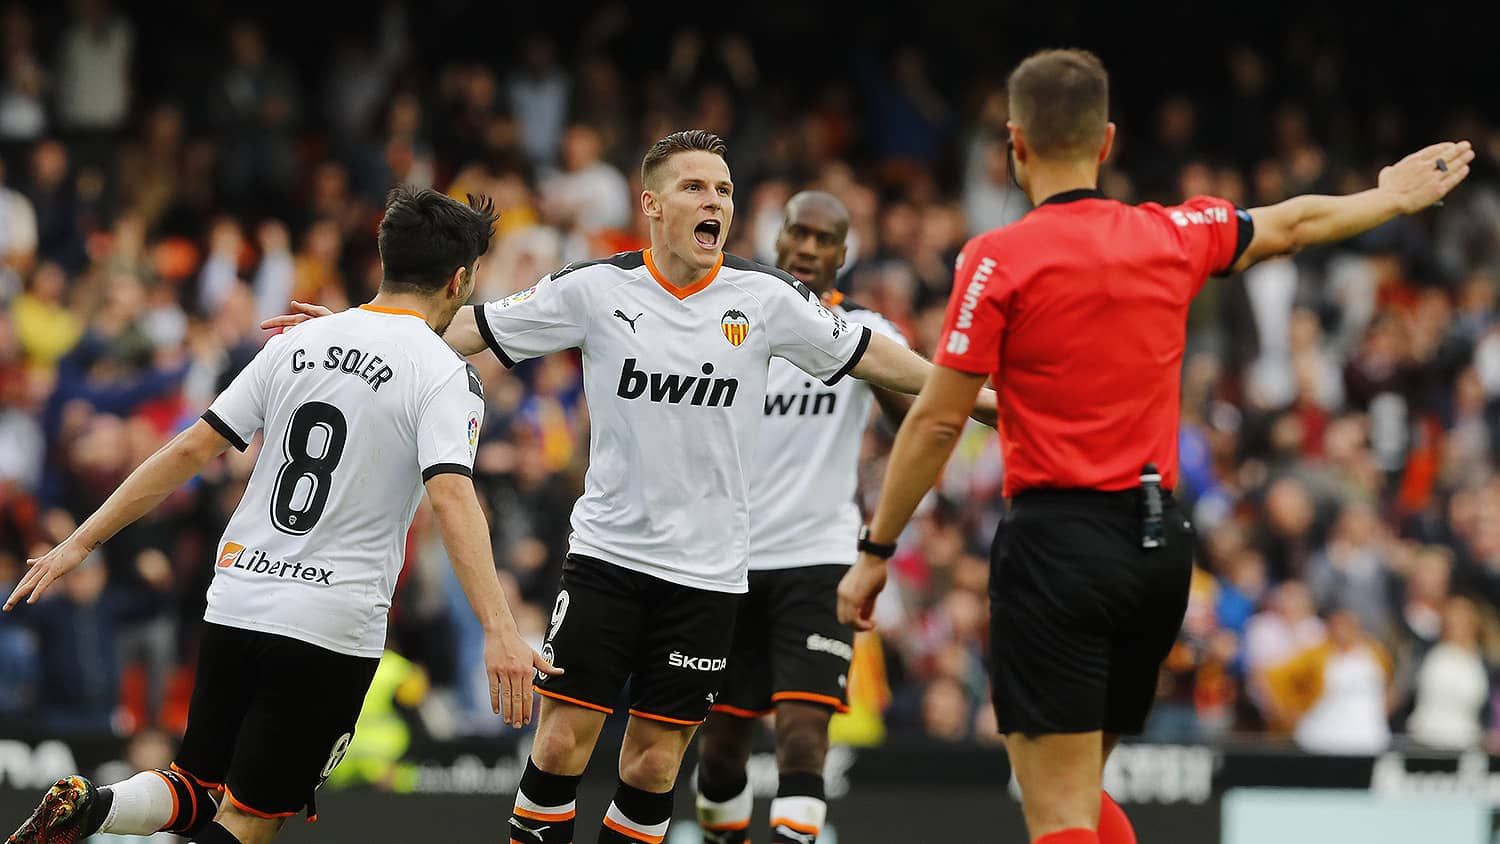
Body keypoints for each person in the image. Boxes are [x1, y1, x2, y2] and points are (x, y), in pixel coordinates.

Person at [265, 129, 995, 844]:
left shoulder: (766, 300)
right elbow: (468, 328)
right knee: (559, 748)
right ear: (652, 204)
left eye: (725, 190)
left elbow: (880, 361)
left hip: (709, 578)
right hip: (608, 561)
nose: (716, 201)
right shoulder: (595, 289)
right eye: (696, 187)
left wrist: (985, 399)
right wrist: (367, 328)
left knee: (651, 764)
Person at [835, 48, 1471, 844]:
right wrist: (1386, 198)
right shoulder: (1175, 231)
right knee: (1079, 794)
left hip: (1058, 547)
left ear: (1014, 142)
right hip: (1158, 548)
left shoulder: (998, 258)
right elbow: (1296, 221)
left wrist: (876, 549)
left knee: (1056, 811)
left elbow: (934, 420)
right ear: (1106, 141)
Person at [5, 187, 553, 844]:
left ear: (385, 258)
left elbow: (190, 448)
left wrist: (79, 543)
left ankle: (95, 807)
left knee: (194, 785)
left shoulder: (300, 340)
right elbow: (452, 494)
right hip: (327, 623)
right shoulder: (444, 373)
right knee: (249, 820)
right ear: (460, 280)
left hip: (238, 595)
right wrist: (499, 627)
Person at [694, 191, 913, 844]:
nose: (810, 249)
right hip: (726, 559)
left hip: (820, 561)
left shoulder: (867, 337)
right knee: (721, 748)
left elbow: (920, 421)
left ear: (845, 255)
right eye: (800, 233)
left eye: (826, 239)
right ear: (776, 236)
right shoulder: (723, 323)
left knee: (802, 734)